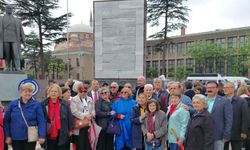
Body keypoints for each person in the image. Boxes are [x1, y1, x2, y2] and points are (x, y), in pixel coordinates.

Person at [4, 83, 46, 150]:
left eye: (29, 91)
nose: (27, 93)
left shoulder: (36, 104)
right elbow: (6, 121)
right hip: (16, 137)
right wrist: (8, 135)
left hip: (30, 137)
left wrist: (42, 135)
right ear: (21, 93)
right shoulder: (13, 104)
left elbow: (41, 121)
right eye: (25, 91)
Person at [41, 84, 73, 150]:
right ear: (49, 92)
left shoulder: (64, 104)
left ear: (59, 93)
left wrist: (70, 129)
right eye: (52, 91)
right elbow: (41, 119)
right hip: (48, 132)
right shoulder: (43, 104)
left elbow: (69, 117)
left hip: (62, 131)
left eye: (56, 91)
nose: (53, 93)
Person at [205, 81, 233, 150]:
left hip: (218, 136)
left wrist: (226, 135)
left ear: (217, 89)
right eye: (208, 87)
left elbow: (229, 120)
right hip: (204, 135)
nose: (209, 89)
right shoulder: (202, 100)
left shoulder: (225, 101)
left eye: (212, 87)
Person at [223, 82, 249, 150]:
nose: (224, 89)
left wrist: (244, 131)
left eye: (227, 88)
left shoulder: (241, 101)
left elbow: (245, 117)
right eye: (224, 88)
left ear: (233, 89)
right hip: (223, 131)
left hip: (236, 131)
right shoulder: (221, 100)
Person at [0, 4, 25, 71]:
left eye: (10, 8)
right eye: (8, 8)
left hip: (15, 39)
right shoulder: (1, 18)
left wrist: (24, 40)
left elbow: (21, 31)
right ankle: (7, 67)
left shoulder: (17, 20)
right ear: (5, 9)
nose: (9, 9)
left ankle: (18, 67)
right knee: (7, 55)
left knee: (16, 53)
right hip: (5, 39)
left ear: (12, 10)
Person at [71, 82, 95, 150]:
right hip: (80, 125)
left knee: (88, 145)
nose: (83, 92)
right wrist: (86, 116)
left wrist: (92, 115)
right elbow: (74, 111)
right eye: (81, 91)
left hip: (89, 124)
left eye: (85, 91)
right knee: (80, 145)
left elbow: (93, 110)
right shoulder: (74, 99)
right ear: (78, 91)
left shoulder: (90, 99)